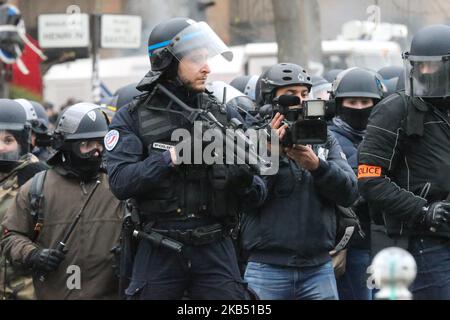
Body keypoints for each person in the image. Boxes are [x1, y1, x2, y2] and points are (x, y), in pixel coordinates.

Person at [106, 17, 267, 300]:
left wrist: (241, 178)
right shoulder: (132, 117)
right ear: (166, 62)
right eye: (196, 59)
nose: (207, 68)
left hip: (215, 247)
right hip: (159, 248)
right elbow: (120, 182)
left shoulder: (222, 114)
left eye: (206, 58)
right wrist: (174, 157)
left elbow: (257, 196)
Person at [240, 63, 358, 300]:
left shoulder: (324, 139)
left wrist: (318, 166)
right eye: (291, 95)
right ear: (269, 100)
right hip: (266, 269)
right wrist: (270, 155)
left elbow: (350, 192)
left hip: (318, 268)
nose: (301, 101)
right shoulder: (249, 139)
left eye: (305, 94)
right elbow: (246, 199)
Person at [358, 24, 450, 300]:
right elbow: (369, 178)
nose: (423, 72)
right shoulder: (395, 109)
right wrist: (422, 210)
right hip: (422, 240)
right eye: (419, 65)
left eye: (431, 67)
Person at [1, 103, 122, 299]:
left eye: (100, 143)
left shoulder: (119, 186)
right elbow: (11, 236)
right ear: (66, 145)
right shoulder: (37, 188)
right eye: (86, 145)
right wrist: (33, 254)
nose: (95, 152)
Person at [328, 67, 384, 300]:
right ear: (339, 103)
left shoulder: (385, 136)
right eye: (352, 101)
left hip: (382, 240)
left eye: (365, 101)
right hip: (352, 244)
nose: (360, 108)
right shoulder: (328, 138)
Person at [0, 99, 47, 299]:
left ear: (22, 141)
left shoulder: (39, 180)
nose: (1, 147)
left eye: (8, 140)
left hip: (25, 290)